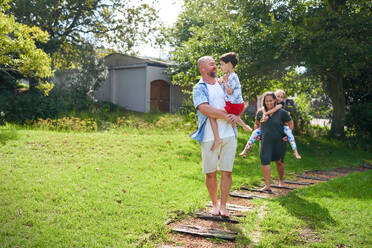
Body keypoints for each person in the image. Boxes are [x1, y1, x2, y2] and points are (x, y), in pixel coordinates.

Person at [190, 56, 239, 217]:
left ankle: (224, 205)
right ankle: (214, 204)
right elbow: (204, 108)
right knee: (210, 172)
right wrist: (225, 115)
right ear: (202, 68)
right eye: (211, 64)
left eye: (215, 63)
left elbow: (238, 100)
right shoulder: (199, 88)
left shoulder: (223, 83)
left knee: (227, 171)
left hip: (229, 134)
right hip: (209, 136)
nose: (215, 66)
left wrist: (235, 114)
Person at [239, 89, 301, 159]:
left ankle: (295, 151)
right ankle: (245, 150)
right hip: (266, 130)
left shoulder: (280, 105)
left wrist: (265, 114)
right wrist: (259, 135)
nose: (279, 98)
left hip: (280, 128)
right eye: (278, 96)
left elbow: (274, 110)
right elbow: (262, 110)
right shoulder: (267, 104)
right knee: (255, 133)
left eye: (281, 97)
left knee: (289, 133)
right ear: (274, 97)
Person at [209, 52, 252, 151]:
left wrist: (224, 81)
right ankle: (242, 127)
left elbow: (229, 91)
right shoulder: (228, 76)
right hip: (234, 104)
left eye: (222, 64)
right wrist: (221, 81)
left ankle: (217, 139)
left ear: (229, 64)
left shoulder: (233, 76)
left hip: (234, 105)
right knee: (231, 119)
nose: (221, 67)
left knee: (213, 115)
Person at [254, 92, 294, 190]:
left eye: (271, 100)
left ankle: (281, 180)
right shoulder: (260, 112)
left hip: (279, 142)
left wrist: (288, 135)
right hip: (265, 142)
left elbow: (290, 123)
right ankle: (267, 185)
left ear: (275, 100)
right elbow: (256, 124)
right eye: (266, 101)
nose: (269, 103)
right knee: (265, 161)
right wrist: (257, 134)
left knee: (279, 161)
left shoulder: (282, 112)